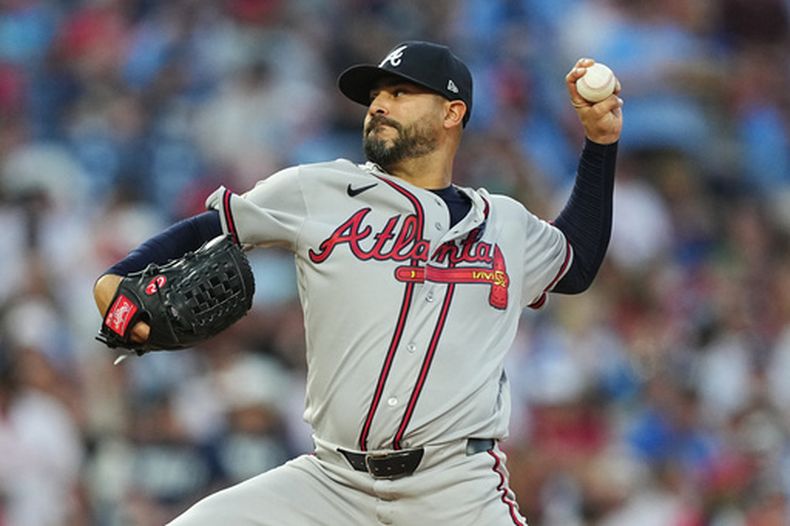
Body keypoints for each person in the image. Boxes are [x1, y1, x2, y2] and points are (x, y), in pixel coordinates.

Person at [93, 40, 622, 525]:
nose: (379, 104)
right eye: (375, 95)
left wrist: (599, 145)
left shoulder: (504, 223)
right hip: (330, 483)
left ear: (452, 112)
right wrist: (117, 283)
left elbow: (575, 264)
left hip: (456, 490)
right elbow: (211, 226)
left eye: (400, 92)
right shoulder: (320, 190)